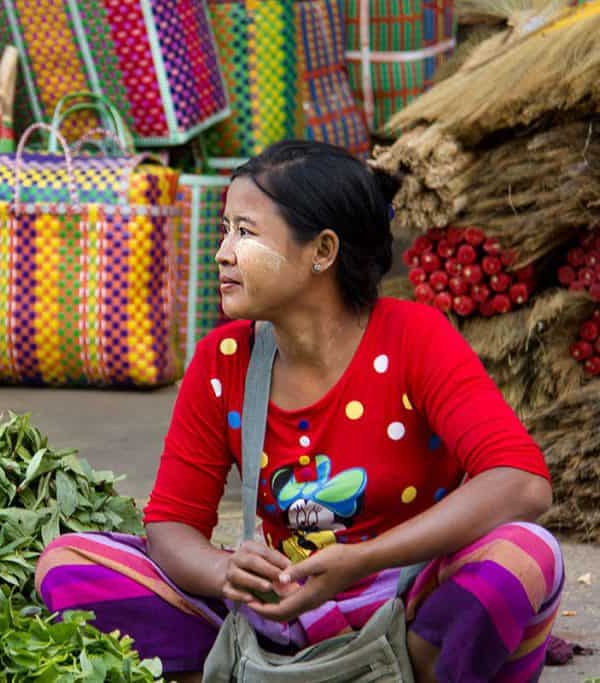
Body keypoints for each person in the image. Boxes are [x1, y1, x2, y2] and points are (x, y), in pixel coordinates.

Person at [35, 141, 563, 683]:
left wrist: (363, 560)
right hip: (280, 614)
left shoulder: (413, 337)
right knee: (69, 565)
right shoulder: (224, 361)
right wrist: (225, 572)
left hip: (406, 605)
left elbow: (522, 483)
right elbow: (172, 525)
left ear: (323, 251)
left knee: (523, 557)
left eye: (245, 232)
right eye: (225, 230)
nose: (223, 252)